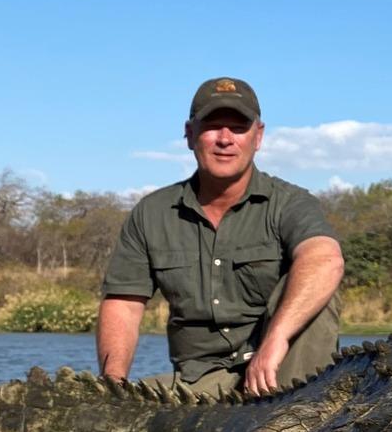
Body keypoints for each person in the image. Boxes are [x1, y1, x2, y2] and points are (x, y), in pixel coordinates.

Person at [97, 77, 344, 397]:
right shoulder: (151, 212)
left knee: (316, 287)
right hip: (198, 382)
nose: (225, 139)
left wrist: (275, 341)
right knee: (94, 406)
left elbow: (325, 258)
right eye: (212, 126)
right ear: (189, 134)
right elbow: (124, 303)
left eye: (238, 128)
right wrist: (112, 389)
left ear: (258, 136)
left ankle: (296, 421)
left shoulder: (290, 203)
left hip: (279, 374)